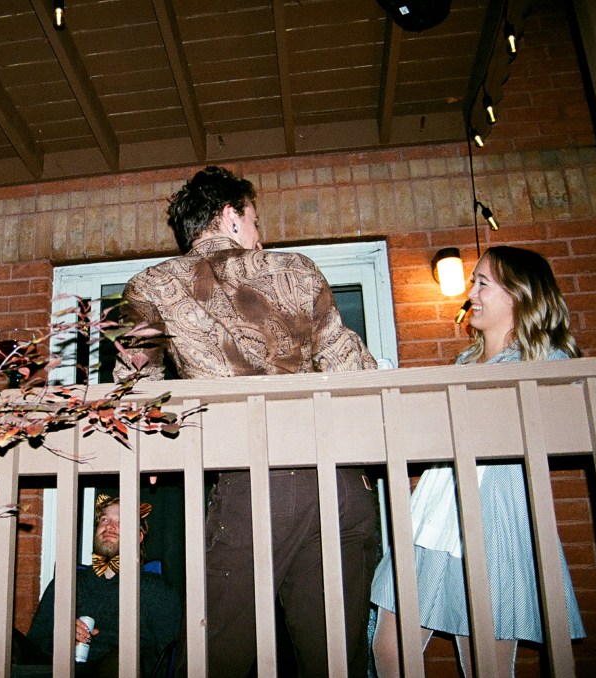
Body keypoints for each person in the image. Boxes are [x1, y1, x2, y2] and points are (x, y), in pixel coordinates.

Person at [112, 166, 379, 676]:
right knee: (334, 661)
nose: (261, 235)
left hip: (255, 484)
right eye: (255, 221)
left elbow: (135, 384)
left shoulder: (152, 285)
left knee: (218, 655)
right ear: (231, 215)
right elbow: (352, 369)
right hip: (341, 481)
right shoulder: (297, 268)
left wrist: (159, 443)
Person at [370, 246, 586, 677]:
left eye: (482, 283)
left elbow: (565, 421)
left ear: (520, 294)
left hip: (492, 512)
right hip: (436, 509)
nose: (471, 294)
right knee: (389, 646)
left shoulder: (545, 360)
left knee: (485, 659)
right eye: (473, 283)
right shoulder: (464, 362)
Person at [26, 494, 182, 677]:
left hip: (120, 670)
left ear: (139, 536)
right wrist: (61, 636)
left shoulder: (156, 589)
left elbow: (170, 658)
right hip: (65, 669)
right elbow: (34, 644)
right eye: (104, 519)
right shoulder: (67, 582)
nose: (109, 526)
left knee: (121, 659)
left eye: (121, 521)